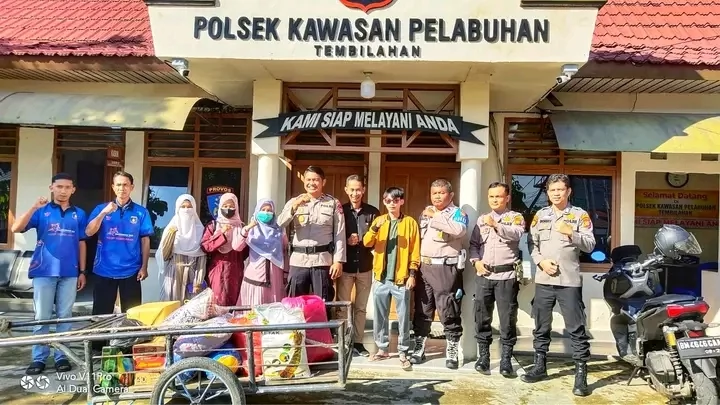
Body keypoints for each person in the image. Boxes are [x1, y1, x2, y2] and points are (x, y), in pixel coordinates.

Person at [521, 173, 596, 397]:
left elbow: (590, 245)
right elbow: (532, 244)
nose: (556, 193)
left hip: (569, 282)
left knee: (576, 329)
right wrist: (541, 262)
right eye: (552, 190)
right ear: (547, 192)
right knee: (541, 326)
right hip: (544, 280)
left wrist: (572, 233)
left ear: (568, 191)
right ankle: (539, 366)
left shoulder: (579, 215)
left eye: (560, 189)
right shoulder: (540, 215)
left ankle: (581, 375)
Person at [12, 173, 88, 375]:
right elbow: (16, 228)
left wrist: (82, 271)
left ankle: (62, 356)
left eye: (67, 187)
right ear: (51, 188)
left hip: (70, 272)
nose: (63, 191)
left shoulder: (79, 214)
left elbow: (82, 243)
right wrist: (33, 207)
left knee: (65, 317)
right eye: (59, 186)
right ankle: (39, 358)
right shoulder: (41, 211)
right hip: (44, 270)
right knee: (42, 317)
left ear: (73, 190)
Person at [85, 171, 153, 349]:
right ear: (113, 187)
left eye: (125, 185)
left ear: (132, 187)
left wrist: (144, 266)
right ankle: (97, 350)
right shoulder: (101, 208)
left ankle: (127, 349)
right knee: (101, 313)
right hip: (104, 269)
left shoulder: (141, 212)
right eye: (118, 185)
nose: (122, 188)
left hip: (131, 270)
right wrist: (103, 213)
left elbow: (145, 240)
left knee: (131, 314)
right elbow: (89, 232)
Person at [469, 182, 525, 378]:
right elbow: (474, 244)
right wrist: (476, 262)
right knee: (481, 317)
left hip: (506, 276)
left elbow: (516, 234)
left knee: (507, 319)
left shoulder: (515, 217)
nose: (494, 200)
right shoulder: (481, 219)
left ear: (507, 198)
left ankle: (506, 360)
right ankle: (483, 358)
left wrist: (496, 225)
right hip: (484, 275)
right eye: (491, 196)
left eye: (499, 196)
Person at [411, 179, 468, 369]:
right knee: (423, 309)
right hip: (424, 267)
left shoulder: (458, 213)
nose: (437, 196)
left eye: (441, 193)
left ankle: (452, 350)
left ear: (450, 195)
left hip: (445, 267)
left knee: (448, 309)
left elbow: (459, 230)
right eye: (434, 193)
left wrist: (436, 216)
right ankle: (419, 347)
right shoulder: (426, 212)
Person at [363, 187, 420, 371]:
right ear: (384, 202)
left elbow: (415, 250)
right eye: (388, 201)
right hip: (381, 277)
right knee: (380, 316)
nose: (392, 204)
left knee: (403, 317)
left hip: (401, 278)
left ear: (401, 201)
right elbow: (366, 242)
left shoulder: (410, 223)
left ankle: (403, 351)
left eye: (395, 200)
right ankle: (382, 349)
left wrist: (412, 274)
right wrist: (374, 228)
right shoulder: (379, 221)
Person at [277, 166, 345, 302]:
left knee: (323, 303)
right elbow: (279, 223)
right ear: (304, 181)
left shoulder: (333, 203)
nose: (311, 183)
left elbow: (340, 233)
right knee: (295, 304)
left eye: (315, 180)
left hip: (322, 260)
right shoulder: (294, 202)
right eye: (308, 180)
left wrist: (338, 261)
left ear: (323, 182)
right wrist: (295, 206)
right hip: (298, 260)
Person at [339, 175, 379, 357]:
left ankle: (358, 342)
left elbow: (379, 239)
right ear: (346, 190)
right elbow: (334, 236)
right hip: (345, 266)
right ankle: (344, 341)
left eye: (358, 189)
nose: (355, 193)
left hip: (365, 266)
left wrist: (363, 240)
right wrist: (347, 241)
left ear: (363, 190)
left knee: (361, 308)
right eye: (352, 189)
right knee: (343, 306)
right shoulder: (340, 211)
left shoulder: (373, 212)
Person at [155, 194, 206, 303]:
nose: (186, 210)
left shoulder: (200, 230)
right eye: (183, 207)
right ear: (178, 209)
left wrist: (198, 280)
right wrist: (170, 237)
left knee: (191, 308)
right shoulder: (171, 228)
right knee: (171, 306)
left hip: (192, 276)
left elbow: (202, 259)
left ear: (194, 208)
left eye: (189, 207)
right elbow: (164, 255)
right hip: (173, 275)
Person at [237, 198, 288, 307]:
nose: (266, 213)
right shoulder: (251, 230)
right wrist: (247, 228)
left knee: (273, 308)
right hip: (255, 275)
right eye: (263, 209)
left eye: (269, 210)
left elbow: (285, 251)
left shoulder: (280, 230)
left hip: (275, 276)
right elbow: (237, 247)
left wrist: (286, 273)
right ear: (257, 211)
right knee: (254, 308)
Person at [200, 193, 248, 306]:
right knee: (216, 302)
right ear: (220, 207)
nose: (228, 209)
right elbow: (205, 246)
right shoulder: (213, 225)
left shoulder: (241, 227)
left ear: (236, 207)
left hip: (235, 269)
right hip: (217, 268)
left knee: (235, 302)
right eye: (225, 206)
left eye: (231, 206)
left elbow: (246, 252)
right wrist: (221, 234)